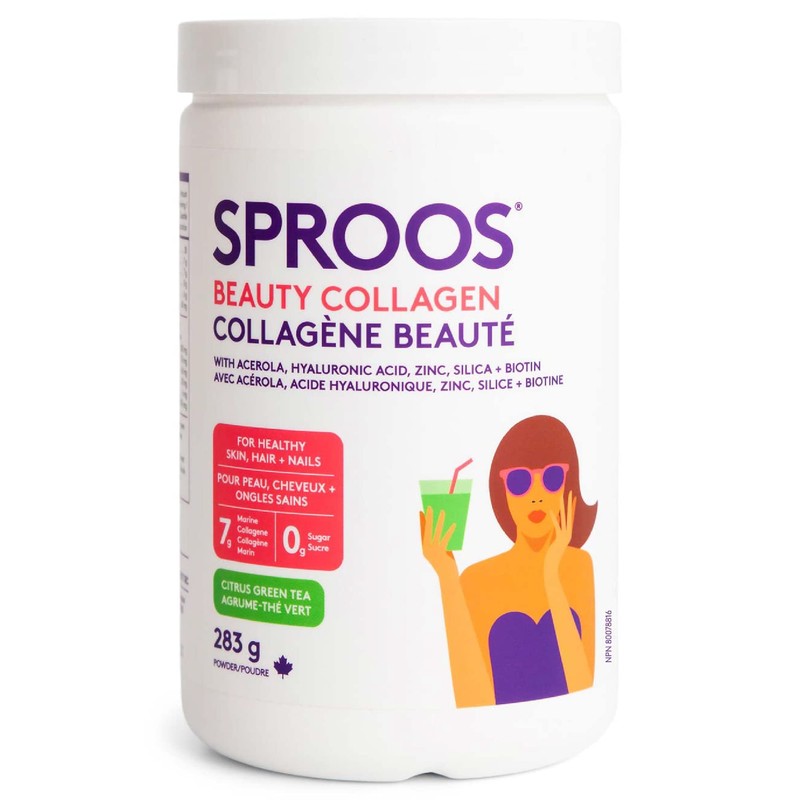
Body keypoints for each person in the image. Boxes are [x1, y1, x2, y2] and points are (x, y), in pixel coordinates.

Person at [420, 415, 597, 708]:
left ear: (568, 484)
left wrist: (551, 577)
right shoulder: (476, 580)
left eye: (552, 478)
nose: (536, 496)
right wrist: (446, 574)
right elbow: (472, 703)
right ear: (501, 490)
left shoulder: (579, 565)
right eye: (519, 481)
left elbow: (584, 685)